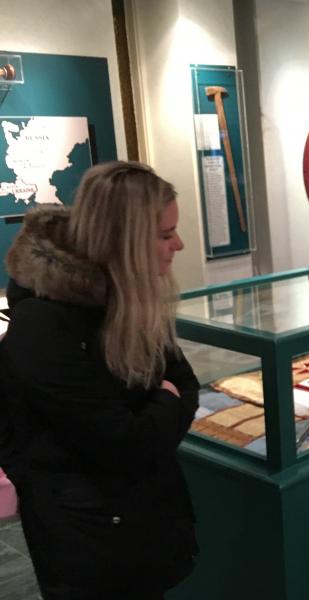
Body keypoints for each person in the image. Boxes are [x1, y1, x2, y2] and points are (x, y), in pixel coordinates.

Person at [0, 161, 200, 599]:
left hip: (137, 523)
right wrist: (165, 402)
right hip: (88, 541)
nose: (179, 244)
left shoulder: (127, 300)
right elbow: (124, 444)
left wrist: (163, 403)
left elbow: (185, 381)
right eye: (165, 235)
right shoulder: (43, 325)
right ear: (124, 242)